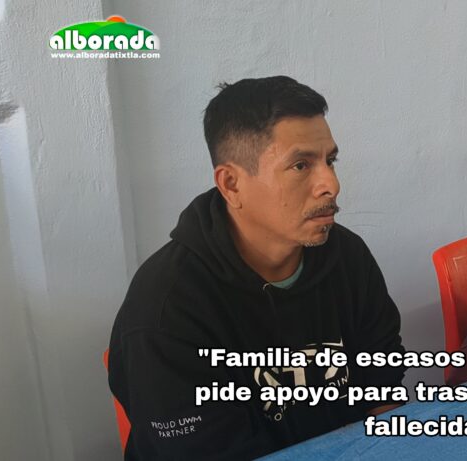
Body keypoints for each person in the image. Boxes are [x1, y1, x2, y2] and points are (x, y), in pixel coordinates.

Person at [107, 76, 405, 459]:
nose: (331, 184)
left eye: (330, 161)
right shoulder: (167, 308)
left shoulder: (346, 256)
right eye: (301, 165)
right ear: (231, 184)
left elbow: (382, 380)